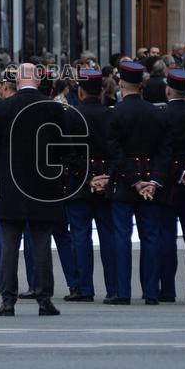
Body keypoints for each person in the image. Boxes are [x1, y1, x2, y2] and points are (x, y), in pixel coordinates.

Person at [0, 63, 67, 317]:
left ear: (17, 82)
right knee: (41, 242)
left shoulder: (2, 108)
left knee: (9, 243)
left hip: (10, 183)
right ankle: (44, 299)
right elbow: (61, 147)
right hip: (43, 184)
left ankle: (8, 300)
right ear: (39, 81)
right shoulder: (53, 108)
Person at [105, 61, 171, 305]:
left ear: (121, 84)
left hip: (124, 181)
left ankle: (123, 292)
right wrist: (152, 180)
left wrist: (133, 180)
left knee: (122, 236)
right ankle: (151, 291)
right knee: (151, 236)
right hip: (150, 178)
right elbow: (165, 151)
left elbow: (115, 151)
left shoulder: (116, 113)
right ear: (141, 85)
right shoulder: (156, 113)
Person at [62, 69, 115, 302]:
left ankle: (84, 288)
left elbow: (67, 153)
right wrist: (105, 176)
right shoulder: (111, 114)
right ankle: (114, 288)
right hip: (106, 181)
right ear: (102, 89)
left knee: (80, 236)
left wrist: (87, 177)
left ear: (80, 91)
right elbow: (117, 151)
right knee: (108, 236)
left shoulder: (71, 114)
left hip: (79, 181)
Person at [156, 69, 185, 303]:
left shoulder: (162, 115)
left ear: (167, 90)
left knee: (167, 237)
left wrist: (178, 172)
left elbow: (162, 153)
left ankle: (167, 289)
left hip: (168, 180)